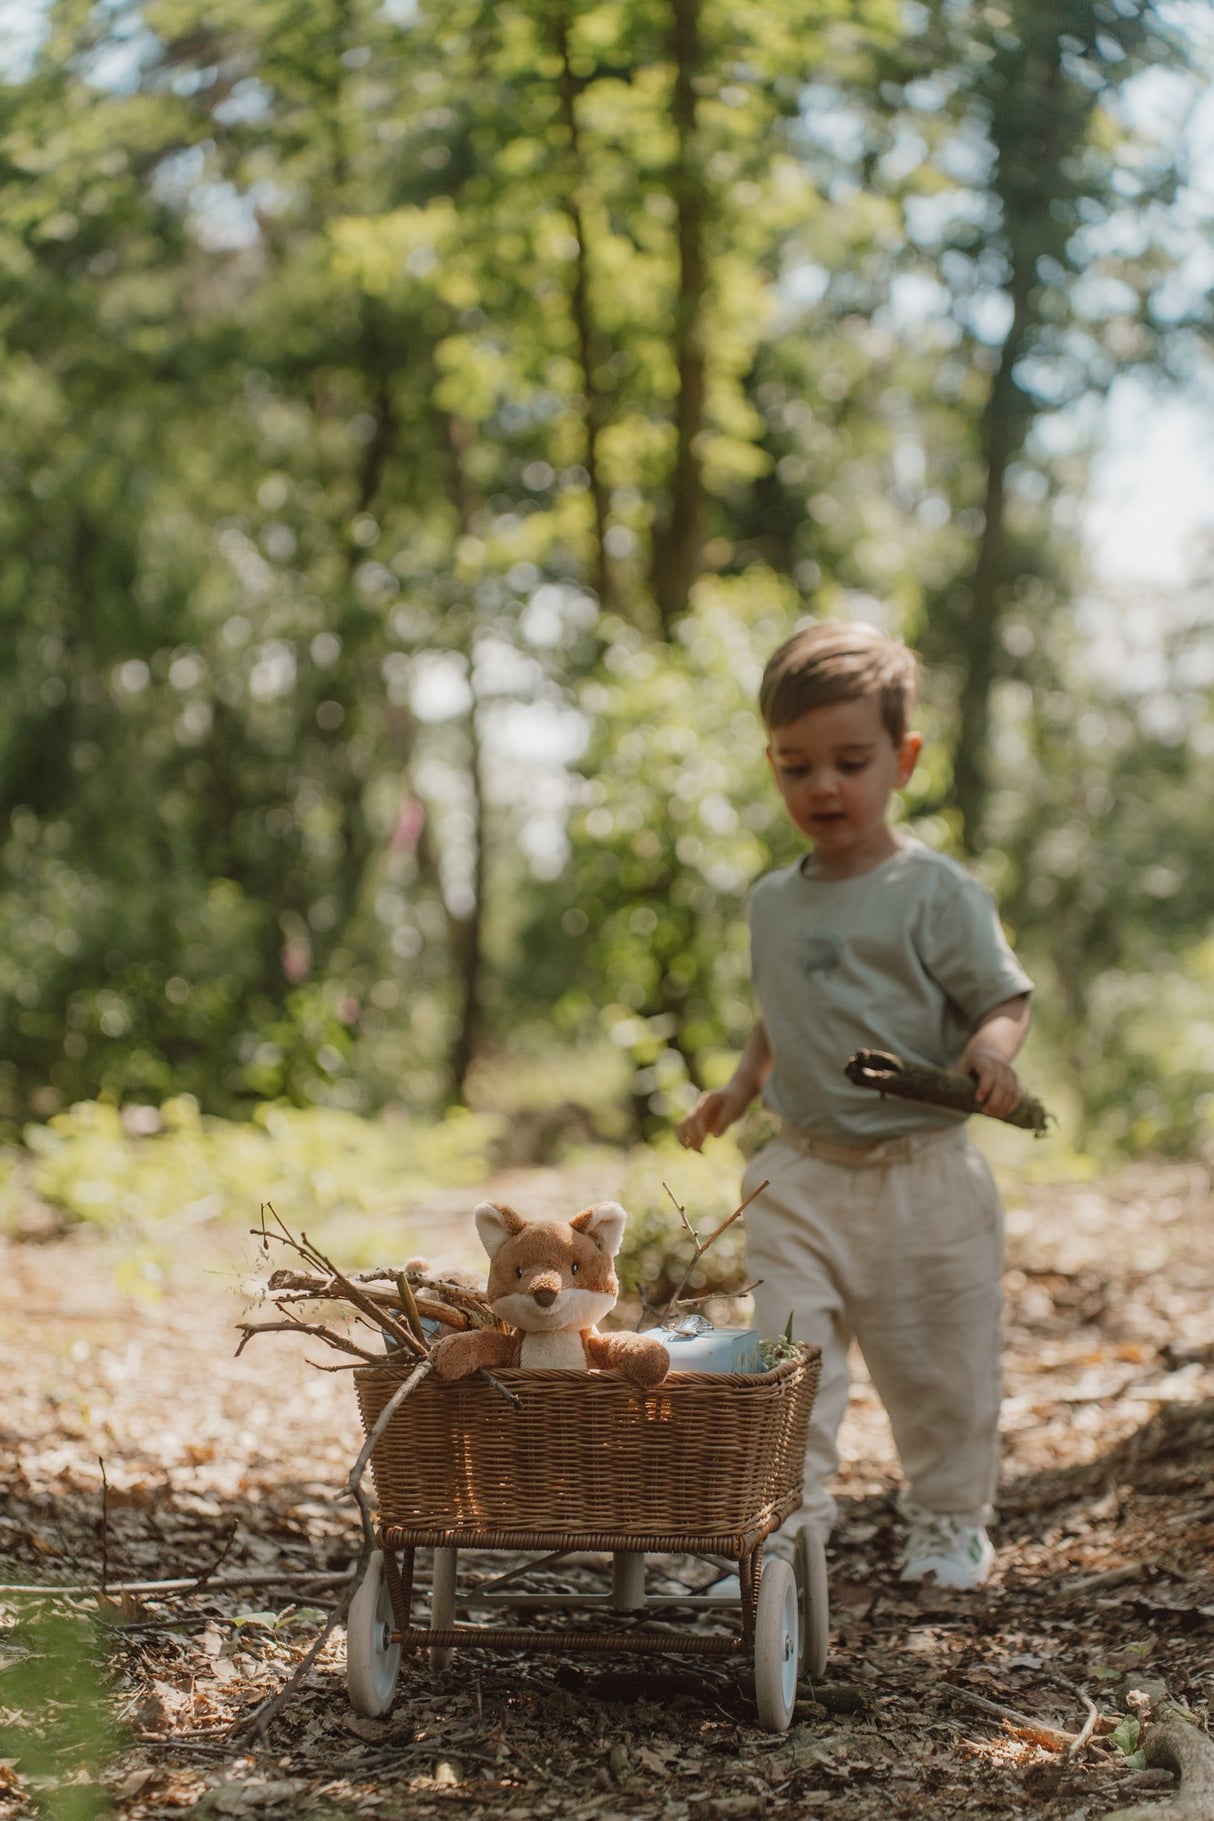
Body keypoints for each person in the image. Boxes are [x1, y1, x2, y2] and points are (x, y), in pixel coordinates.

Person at [676, 619, 1032, 1590]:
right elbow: (777, 1012)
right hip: (800, 1172)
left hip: (923, 1178)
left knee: (939, 1371)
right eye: (795, 767)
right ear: (770, 765)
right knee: (788, 1363)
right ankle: (786, 1527)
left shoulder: (933, 893)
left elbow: (1001, 995)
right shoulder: (770, 903)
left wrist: (988, 1055)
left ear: (902, 759)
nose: (821, 787)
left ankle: (948, 1521)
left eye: (848, 761)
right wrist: (737, 1089)